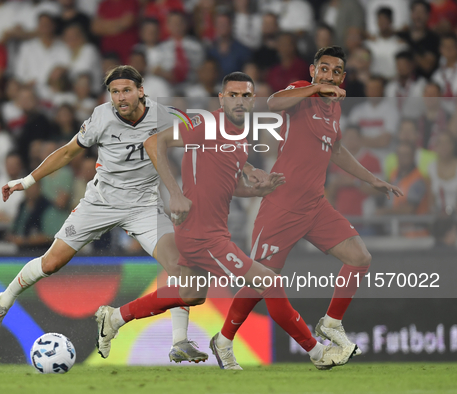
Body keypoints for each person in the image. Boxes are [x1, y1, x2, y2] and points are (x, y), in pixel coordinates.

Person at [95, 72, 357, 371]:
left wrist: (258, 189)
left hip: (211, 230)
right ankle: (316, 352)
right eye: (233, 95)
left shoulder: (240, 140)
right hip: (201, 233)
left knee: (189, 294)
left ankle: (114, 318)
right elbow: (155, 143)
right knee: (267, 281)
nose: (240, 101)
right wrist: (175, 193)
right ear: (222, 98)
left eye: (246, 96)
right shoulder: (207, 124)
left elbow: (226, 185)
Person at [0, 65, 210, 363]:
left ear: (141, 91)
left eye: (126, 90)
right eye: (114, 92)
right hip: (99, 202)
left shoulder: (166, 115)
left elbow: (205, 138)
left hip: (143, 206)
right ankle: (3, 301)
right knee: (51, 263)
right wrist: (25, 182)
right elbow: (66, 153)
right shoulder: (101, 117)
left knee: (183, 271)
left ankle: (179, 340)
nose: (120, 97)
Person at [210, 47, 402, 366]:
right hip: (282, 206)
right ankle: (225, 340)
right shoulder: (301, 92)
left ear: (343, 77)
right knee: (262, 282)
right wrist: (316, 87)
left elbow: (336, 150)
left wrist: (372, 179)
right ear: (313, 71)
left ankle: (331, 323)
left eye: (335, 71)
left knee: (359, 258)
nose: (328, 75)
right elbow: (273, 102)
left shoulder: (334, 111)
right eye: (323, 69)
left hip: (315, 205)